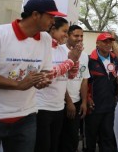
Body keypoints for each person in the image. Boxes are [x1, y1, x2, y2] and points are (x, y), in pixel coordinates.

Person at [0, 0, 65, 151]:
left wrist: (43, 81)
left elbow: (45, 71)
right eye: (50, 16)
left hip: (26, 117)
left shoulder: (46, 39)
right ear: (35, 15)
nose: (53, 21)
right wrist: (18, 85)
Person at [35, 17, 82, 152]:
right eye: (64, 31)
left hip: (58, 108)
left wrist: (76, 58)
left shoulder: (63, 50)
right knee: (42, 146)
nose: (66, 35)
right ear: (53, 29)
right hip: (42, 107)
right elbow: (47, 75)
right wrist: (71, 61)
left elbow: (71, 75)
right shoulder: (43, 48)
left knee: (54, 146)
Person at [85, 32, 118, 152]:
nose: (108, 44)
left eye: (110, 42)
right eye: (105, 42)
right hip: (94, 105)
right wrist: (87, 98)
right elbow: (84, 81)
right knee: (91, 136)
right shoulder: (90, 59)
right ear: (97, 43)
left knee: (107, 136)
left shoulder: (115, 59)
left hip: (109, 104)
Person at [59, 25, 90, 152]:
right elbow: (59, 80)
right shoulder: (59, 51)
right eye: (76, 35)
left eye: (81, 36)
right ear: (68, 36)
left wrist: (83, 102)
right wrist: (69, 102)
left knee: (72, 138)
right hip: (60, 103)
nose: (79, 38)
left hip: (76, 102)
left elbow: (84, 79)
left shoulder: (84, 56)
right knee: (59, 138)